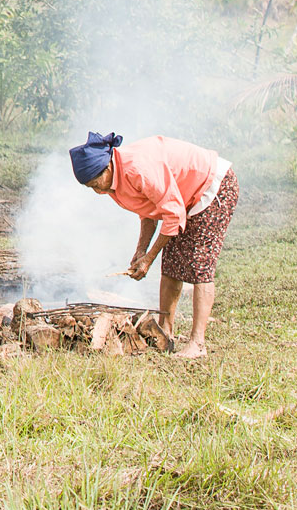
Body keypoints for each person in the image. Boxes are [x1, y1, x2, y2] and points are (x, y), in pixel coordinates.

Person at [71, 130, 238, 359]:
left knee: (201, 266)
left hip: (211, 188)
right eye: (91, 187)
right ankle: (165, 332)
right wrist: (141, 250)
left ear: (107, 168)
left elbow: (173, 213)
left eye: (96, 184)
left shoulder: (137, 169)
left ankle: (198, 343)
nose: (98, 191)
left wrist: (149, 257)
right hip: (182, 199)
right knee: (171, 265)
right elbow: (149, 210)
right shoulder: (111, 181)